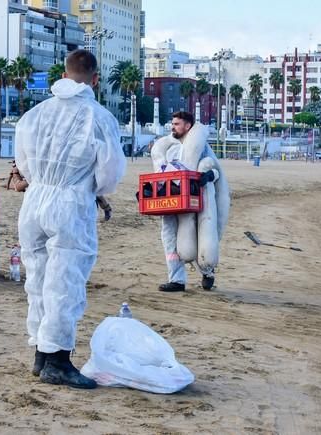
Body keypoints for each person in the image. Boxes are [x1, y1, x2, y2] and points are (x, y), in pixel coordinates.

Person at [15, 49, 125, 389]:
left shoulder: (34, 115)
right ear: (94, 79)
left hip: (34, 200)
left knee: (37, 278)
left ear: (63, 74)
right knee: (64, 282)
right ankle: (57, 359)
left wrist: (41, 182)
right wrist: (90, 189)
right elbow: (109, 172)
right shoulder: (98, 116)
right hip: (69, 200)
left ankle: (39, 352)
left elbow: (24, 163)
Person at [150, 111, 230, 292]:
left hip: (195, 199)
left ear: (188, 126)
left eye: (177, 124)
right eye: (172, 123)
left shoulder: (200, 146)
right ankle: (177, 280)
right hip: (171, 200)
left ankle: (207, 271)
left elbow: (215, 170)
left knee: (197, 235)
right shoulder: (167, 147)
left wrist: (209, 176)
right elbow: (160, 173)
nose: (173, 127)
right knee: (169, 238)